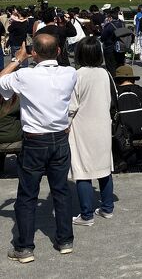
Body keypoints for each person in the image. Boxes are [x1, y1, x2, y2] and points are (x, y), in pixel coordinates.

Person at [1, 35, 77, 262]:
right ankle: (65, 240)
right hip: (60, 138)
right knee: (61, 190)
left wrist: (17, 59)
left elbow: (1, 80)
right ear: (59, 51)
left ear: (34, 53)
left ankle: (24, 247)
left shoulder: (25, 75)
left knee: (27, 195)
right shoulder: (69, 73)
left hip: (35, 140)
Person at [67, 37, 114, 226]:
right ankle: (107, 207)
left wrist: (65, 125)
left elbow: (72, 106)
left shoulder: (77, 75)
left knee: (82, 169)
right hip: (102, 124)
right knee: (103, 167)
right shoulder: (104, 74)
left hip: (82, 126)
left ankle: (86, 215)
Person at [112, 65, 142, 171]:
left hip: (122, 132)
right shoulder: (141, 91)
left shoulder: (114, 93)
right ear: (132, 79)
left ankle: (120, 160)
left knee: (114, 134)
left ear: (117, 80)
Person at [100, 9, 126, 76]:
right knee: (120, 64)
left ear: (110, 18)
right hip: (121, 47)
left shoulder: (109, 26)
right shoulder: (122, 24)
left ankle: (113, 79)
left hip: (110, 48)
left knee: (111, 66)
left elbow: (103, 37)